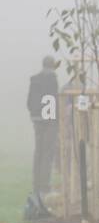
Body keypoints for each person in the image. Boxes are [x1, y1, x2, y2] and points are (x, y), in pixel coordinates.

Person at [28, 56, 59, 197]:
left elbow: (29, 101)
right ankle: (44, 187)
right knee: (47, 153)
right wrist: (53, 118)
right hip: (49, 120)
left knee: (38, 152)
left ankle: (36, 184)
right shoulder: (52, 78)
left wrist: (35, 115)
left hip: (36, 120)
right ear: (52, 66)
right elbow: (52, 99)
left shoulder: (34, 79)